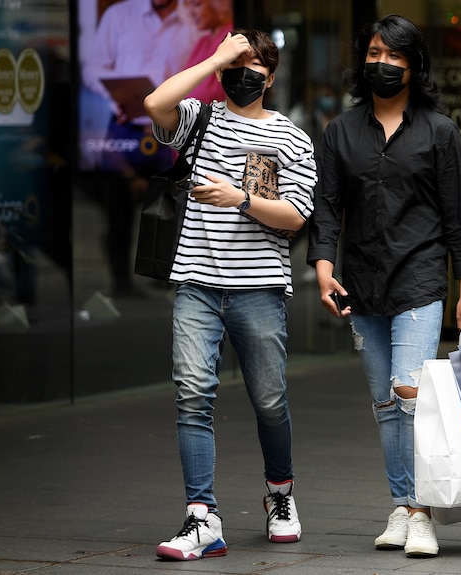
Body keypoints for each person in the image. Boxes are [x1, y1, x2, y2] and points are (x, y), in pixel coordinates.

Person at [306, 14, 461, 558]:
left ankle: (422, 514)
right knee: (385, 404)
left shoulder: (440, 131)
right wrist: (322, 267)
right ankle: (403, 503)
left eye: (395, 56)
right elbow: (329, 207)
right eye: (375, 54)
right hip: (361, 282)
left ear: (413, 65)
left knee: (411, 396)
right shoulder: (341, 131)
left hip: (421, 278)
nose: (383, 64)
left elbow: (457, 215)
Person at [143, 29, 317, 560]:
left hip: (260, 287)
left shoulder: (292, 138)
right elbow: (156, 102)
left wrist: (239, 198)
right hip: (197, 282)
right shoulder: (201, 120)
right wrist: (215, 57)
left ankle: (280, 495)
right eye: (235, 67)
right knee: (193, 395)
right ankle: (202, 517)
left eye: (254, 68)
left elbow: (295, 216)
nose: (244, 76)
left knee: (269, 399)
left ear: (272, 74)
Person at [80, 0, 197, 297]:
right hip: (125, 125)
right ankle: (121, 283)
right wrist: (114, 100)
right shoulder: (119, 15)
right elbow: (93, 67)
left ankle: (162, 276)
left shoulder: (191, 22)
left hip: (171, 128)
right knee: (118, 210)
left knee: (167, 207)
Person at [182, 0, 235, 104]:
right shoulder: (202, 42)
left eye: (197, 5)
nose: (191, 13)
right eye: (189, 6)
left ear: (221, 3)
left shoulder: (232, 38)